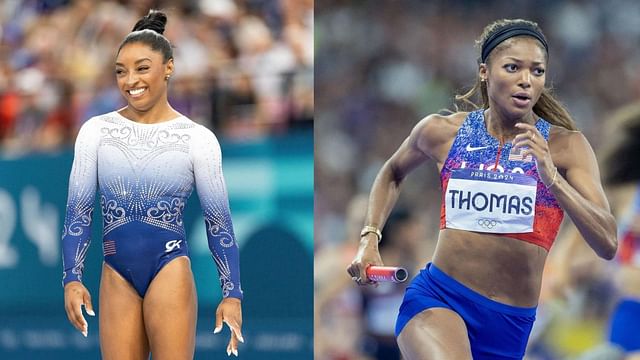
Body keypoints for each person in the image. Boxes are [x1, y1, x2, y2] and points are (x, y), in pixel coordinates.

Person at [347, 18, 617, 360]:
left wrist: (552, 178)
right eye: (513, 67)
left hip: (510, 324)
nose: (525, 80)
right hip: (439, 299)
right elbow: (392, 172)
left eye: (537, 71)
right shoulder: (442, 131)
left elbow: (607, 242)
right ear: (485, 72)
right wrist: (369, 239)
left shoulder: (567, 147)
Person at [61, 10, 243, 359]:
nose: (131, 80)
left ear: (169, 68)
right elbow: (78, 211)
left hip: (169, 266)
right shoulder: (96, 132)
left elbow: (218, 221)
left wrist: (232, 293)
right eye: (121, 71)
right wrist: (71, 277)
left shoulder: (197, 139)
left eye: (142, 68)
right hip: (115, 270)